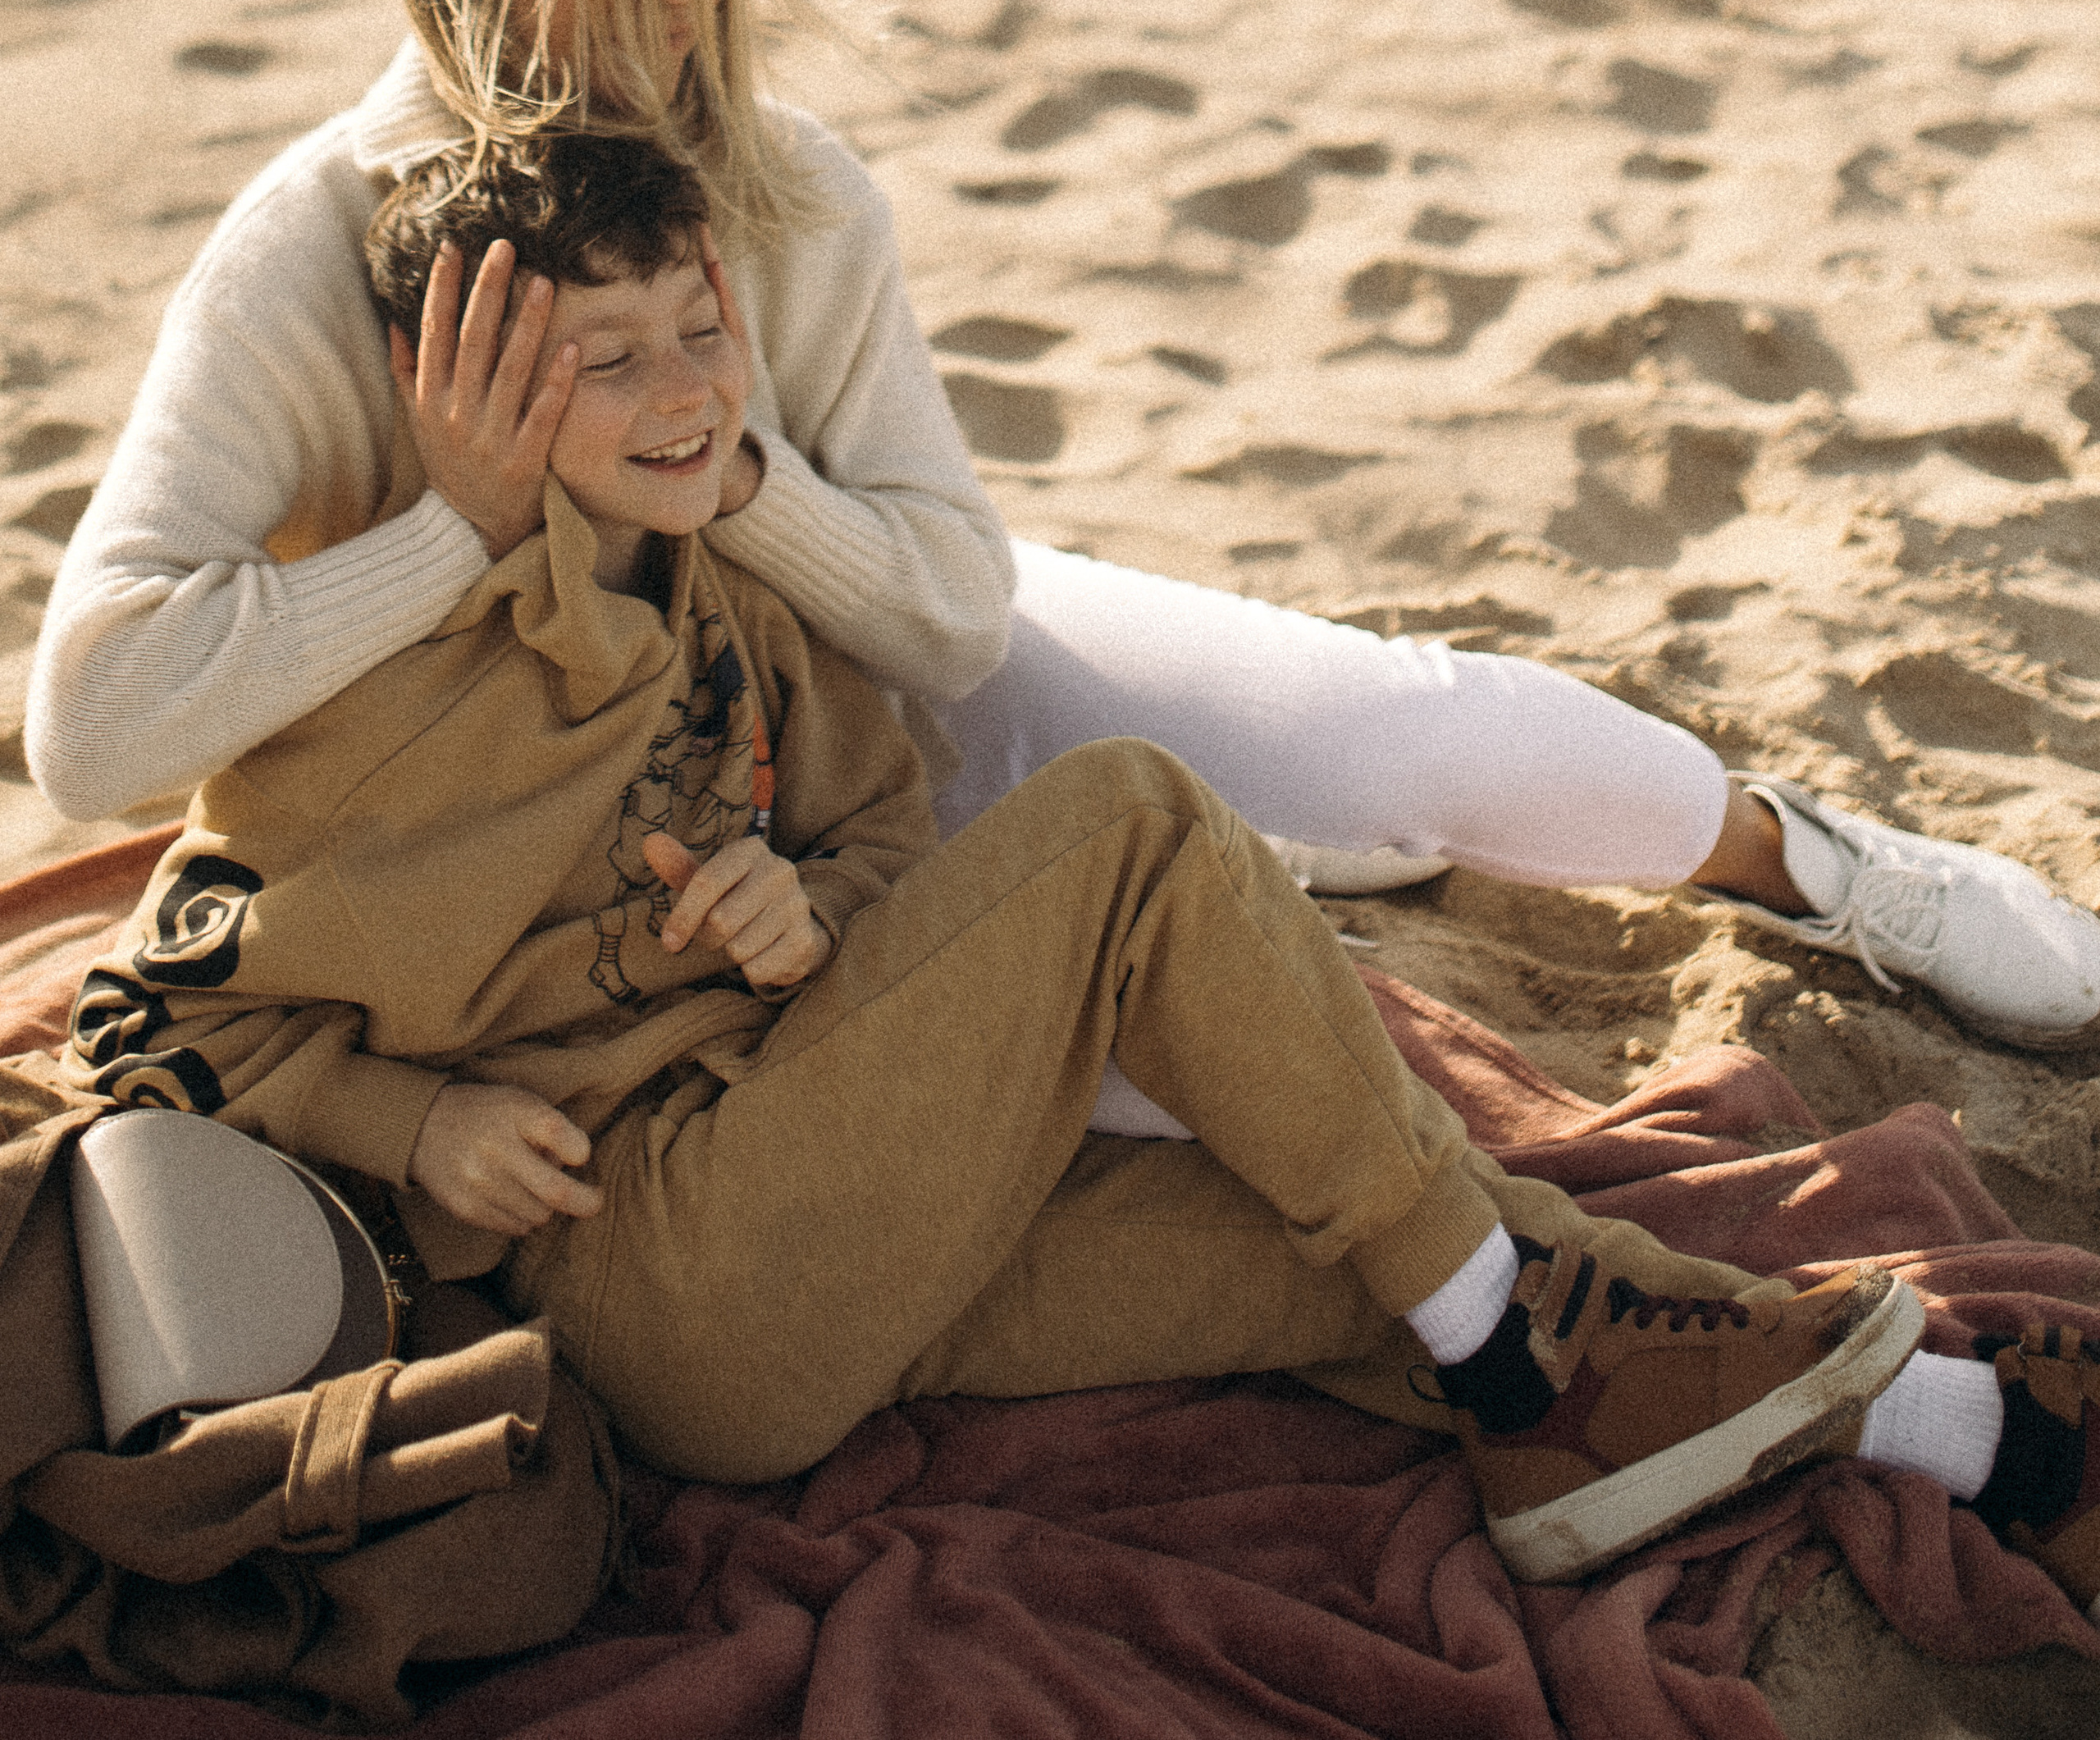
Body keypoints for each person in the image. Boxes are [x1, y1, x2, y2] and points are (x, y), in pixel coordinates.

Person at [58, 135, 2100, 1611]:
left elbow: (861, 826)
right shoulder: (370, 701)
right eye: (605, 362)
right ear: (469, 394)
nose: (686, 388)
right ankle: (1535, 1357)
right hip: (673, 1282)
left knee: (1355, 1225)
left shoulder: (733, 597)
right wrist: (424, 1117)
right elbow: (156, 1020)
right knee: (1129, 819)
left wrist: (823, 912)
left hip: (861, 1200)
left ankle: (1920, 1422)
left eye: (701, 328)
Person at [27, 0, 2100, 1056]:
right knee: (1188, 1073)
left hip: (861, 744)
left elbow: (948, 613)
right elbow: (93, 725)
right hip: (563, 868)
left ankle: (1807, 859)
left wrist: (733, 469)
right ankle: (1308, 884)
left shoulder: (787, 196)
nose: (647, 21)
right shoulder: (312, 247)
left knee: (1405, 730)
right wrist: (454, 526)